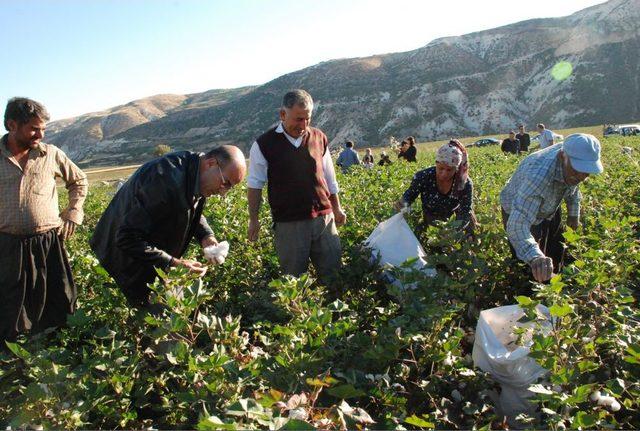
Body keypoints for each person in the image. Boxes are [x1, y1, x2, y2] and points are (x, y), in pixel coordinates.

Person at [90, 145, 247, 307]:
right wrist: (174, 263)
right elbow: (127, 238)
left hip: (153, 253)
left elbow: (188, 205)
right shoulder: (164, 181)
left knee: (178, 310)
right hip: (125, 258)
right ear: (211, 163)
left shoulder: (195, 170)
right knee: (161, 319)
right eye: (225, 183)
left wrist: (206, 236)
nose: (223, 192)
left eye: (229, 187)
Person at [1, 97, 88, 343]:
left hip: (47, 242)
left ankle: (59, 352)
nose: (39, 134)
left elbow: (79, 181)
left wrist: (73, 212)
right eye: (34, 128)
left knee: (58, 300)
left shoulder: (50, 154)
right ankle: (16, 362)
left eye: (43, 129)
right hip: (8, 246)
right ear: (12, 125)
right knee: (10, 308)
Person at [247, 89, 346, 279]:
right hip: (289, 223)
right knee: (293, 281)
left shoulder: (319, 137)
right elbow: (255, 185)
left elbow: (329, 177)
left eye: (307, 119)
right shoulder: (263, 144)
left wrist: (337, 208)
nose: (303, 125)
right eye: (298, 119)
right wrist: (254, 219)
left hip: (323, 219)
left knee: (333, 274)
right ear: (282, 114)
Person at [500, 134, 604, 283]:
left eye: (586, 172)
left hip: (550, 203)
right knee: (530, 265)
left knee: (554, 247)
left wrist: (573, 215)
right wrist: (535, 257)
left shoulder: (574, 160)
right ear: (562, 157)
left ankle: (556, 282)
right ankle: (531, 294)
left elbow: (573, 186)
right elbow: (517, 226)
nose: (581, 176)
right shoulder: (537, 177)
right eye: (576, 171)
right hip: (518, 209)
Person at [394, 140, 476, 233]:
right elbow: (409, 196)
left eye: (449, 170)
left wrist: (452, 232)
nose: (444, 173)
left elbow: (465, 212)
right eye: (441, 168)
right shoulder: (423, 176)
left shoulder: (464, 183)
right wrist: (403, 203)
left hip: (455, 223)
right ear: (436, 163)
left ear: (456, 169)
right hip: (430, 223)